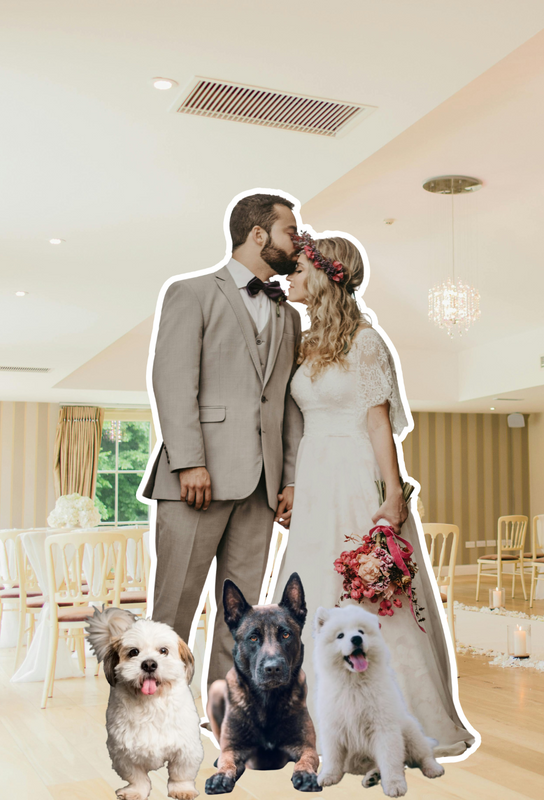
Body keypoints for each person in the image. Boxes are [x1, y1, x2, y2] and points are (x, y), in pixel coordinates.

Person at [276, 232, 475, 757]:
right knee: (312, 587)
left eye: (297, 270)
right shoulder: (304, 342)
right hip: (315, 478)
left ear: (324, 274)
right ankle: (315, 724)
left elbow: (377, 421)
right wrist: (293, 481)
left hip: (355, 473)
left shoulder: (365, 341)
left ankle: (394, 722)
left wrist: (392, 496)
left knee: (370, 594)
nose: (288, 277)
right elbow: (296, 423)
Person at [142, 191, 304, 695]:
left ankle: (223, 717)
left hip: (262, 487)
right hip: (197, 479)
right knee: (172, 612)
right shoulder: (191, 293)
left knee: (244, 620)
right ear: (259, 235)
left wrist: (293, 479)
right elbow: (172, 381)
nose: (297, 241)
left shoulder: (289, 316)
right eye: (290, 232)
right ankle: (151, 720)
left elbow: (288, 404)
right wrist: (189, 460)